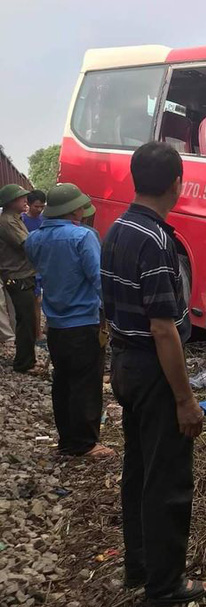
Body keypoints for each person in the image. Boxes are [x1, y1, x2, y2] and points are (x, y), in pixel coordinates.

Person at [101, 142, 206, 607]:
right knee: (167, 478)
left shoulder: (116, 230)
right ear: (176, 184)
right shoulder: (158, 241)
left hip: (124, 364)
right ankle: (165, 587)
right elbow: (164, 330)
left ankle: (139, 566)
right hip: (151, 368)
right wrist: (185, 399)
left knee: (139, 467)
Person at [25, 183, 114, 458]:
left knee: (62, 381)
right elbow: (98, 280)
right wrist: (113, 313)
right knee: (86, 382)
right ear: (75, 209)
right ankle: (86, 444)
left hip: (55, 323)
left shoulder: (34, 240)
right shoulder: (82, 237)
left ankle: (67, 441)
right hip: (84, 321)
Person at [0, 184, 37, 372]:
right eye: (21, 197)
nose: (25, 200)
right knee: (26, 320)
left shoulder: (15, 218)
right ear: (11, 201)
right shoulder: (7, 221)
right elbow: (27, 244)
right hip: (17, 276)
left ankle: (27, 360)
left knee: (27, 319)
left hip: (22, 275)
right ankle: (24, 363)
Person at [22, 190, 46, 341]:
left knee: (43, 299)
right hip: (28, 267)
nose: (39, 209)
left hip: (43, 265)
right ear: (29, 204)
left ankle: (42, 330)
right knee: (35, 301)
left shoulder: (44, 220)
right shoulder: (21, 221)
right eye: (36, 206)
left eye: (42, 207)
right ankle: (36, 333)